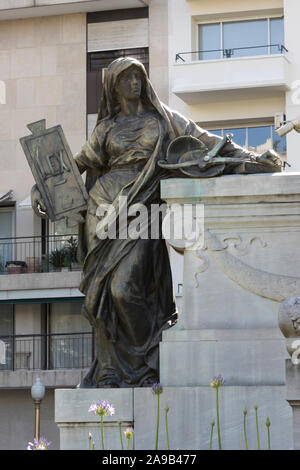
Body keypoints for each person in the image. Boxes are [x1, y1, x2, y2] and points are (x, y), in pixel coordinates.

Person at [32, 57, 281, 388]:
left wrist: (249, 158)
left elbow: (204, 141)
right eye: (127, 78)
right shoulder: (105, 128)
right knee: (109, 290)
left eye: (139, 77)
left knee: (124, 289)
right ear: (113, 86)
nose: (134, 83)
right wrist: (40, 187)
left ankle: (148, 360)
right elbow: (77, 163)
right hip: (104, 211)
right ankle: (119, 370)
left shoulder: (163, 120)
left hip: (145, 207)